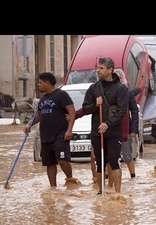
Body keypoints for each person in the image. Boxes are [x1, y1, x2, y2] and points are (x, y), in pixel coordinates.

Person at [23, 72, 79, 188]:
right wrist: (29, 124)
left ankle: (70, 180)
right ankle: (53, 188)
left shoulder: (61, 95)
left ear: (47, 83)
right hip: (46, 135)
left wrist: (69, 130)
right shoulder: (43, 100)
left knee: (62, 160)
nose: (38, 85)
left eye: (40, 83)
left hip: (60, 134)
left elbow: (72, 112)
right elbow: (39, 115)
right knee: (49, 163)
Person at [82, 57, 128, 195]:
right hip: (97, 131)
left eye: (101, 68)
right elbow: (85, 109)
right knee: (99, 161)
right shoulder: (93, 88)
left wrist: (108, 124)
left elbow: (121, 112)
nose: (98, 70)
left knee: (114, 160)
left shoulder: (120, 89)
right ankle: (100, 191)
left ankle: (118, 193)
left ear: (110, 70)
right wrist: (95, 105)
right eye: (97, 68)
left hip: (113, 132)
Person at [113, 68, 141, 180]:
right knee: (111, 156)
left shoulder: (128, 93)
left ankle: (132, 176)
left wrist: (134, 130)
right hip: (112, 128)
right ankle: (108, 177)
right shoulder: (109, 91)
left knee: (127, 154)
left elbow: (134, 111)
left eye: (120, 78)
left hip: (126, 129)